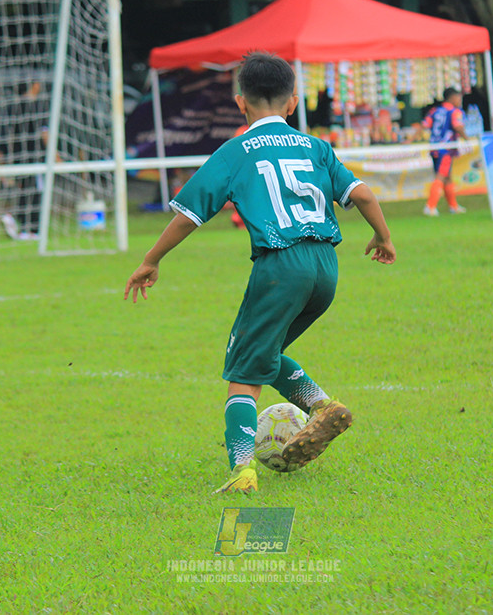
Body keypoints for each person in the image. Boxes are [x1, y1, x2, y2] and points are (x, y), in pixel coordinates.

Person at [123, 52, 396, 494]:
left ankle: (243, 470)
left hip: (279, 265)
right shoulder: (316, 146)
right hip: (326, 266)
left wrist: (152, 259)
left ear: (239, 103)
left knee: (243, 372)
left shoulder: (235, 152)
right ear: (293, 103)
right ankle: (321, 406)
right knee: (264, 353)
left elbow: (189, 214)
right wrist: (382, 237)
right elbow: (361, 194)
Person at [0, 81, 48, 240]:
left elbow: (5, 138)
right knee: (36, 192)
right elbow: (44, 133)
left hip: (18, 158)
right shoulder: (37, 107)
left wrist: (2, 160)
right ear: (34, 86)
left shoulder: (12, 108)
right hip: (35, 157)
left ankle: (20, 224)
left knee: (25, 190)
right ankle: (28, 227)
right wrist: (55, 156)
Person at [421, 87, 469, 217]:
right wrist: (467, 139)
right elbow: (458, 126)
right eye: (458, 97)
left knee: (447, 177)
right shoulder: (455, 112)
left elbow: (424, 125)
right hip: (446, 148)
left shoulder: (434, 111)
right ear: (452, 98)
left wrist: (410, 140)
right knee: (441, 176)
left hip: (434, 147)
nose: (460, 100)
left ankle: (453, 206)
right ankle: (430, 206)